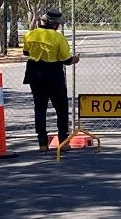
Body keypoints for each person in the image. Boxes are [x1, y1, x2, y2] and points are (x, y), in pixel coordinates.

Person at [22, 9, 80, 153]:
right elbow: (66, 60)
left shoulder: (30, 34)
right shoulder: (58, 38)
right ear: (55, 25)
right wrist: (75, 59)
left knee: (40, 109)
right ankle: (63, 142)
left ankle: (42, 143)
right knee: (61, 109)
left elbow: (26, 52)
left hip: (35, 74)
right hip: (53, 74)